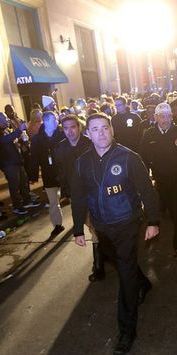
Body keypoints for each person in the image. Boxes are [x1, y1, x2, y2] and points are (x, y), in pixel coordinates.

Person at [71, 113, 160, 355]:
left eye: (105, 128)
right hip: (101, 226)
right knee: (120, 263)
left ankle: (127, 331)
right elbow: (78, 197)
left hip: (127, 224)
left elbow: (147, 191)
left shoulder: (129, 157)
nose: (101, 133)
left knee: (125, 275)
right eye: (95, 129)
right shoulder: (82, 163)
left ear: (112, 130)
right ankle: (143, 282)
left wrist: (153, 220)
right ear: (87, 134)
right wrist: (78, 227)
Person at [55, 114, 103, 281]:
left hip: (95, 194)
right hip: (77, 197)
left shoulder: (90, 143)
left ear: (79, 127)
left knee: (95, 229)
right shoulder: (60, 149)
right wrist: (66, 192)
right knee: (92, 227)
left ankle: (99, 266)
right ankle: (103, 258)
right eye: (66, 128)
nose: (69, 131)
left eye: (72, 127)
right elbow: (61, 173)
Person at [140, 103, 177, 257]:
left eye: (168, 116)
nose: (165, 119)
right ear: (155, 117)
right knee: (164, 210)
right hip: (159, 181)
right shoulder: (148, 134)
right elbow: (142, 157)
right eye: (161, 116)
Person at [0, 113, 40, 215]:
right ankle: (17, 206)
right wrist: (19, 130)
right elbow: (4, 140)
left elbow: (10, 140)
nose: (7, 121)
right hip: (8, 163)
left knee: (23, 181)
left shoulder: (4, 129)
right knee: (14, 185)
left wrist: (18, 139)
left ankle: (27, 201)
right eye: (5, 119)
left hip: (15, 160)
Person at [29, 111, 65, 237]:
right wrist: (33, 176)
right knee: (53, 201)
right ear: (47, 121)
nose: (57, 122)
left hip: (64, 173)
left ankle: (79, 223)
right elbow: (33, 158)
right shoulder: (37, 139)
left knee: (74, 199)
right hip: (49, 174)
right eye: (54, 119)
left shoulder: (62, 134)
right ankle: (57, 225)